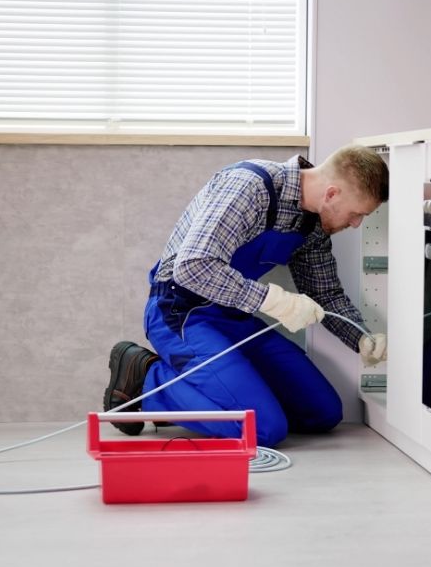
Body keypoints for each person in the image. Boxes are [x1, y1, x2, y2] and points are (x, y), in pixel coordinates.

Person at [103, 145, 390, 448]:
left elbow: (326, 294)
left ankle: (238, 394)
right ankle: (146, 378)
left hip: (233, 318)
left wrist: (360, 337)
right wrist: (277, 302)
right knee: (265, 429)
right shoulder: (250, 186)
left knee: (323, 412)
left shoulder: (314, 224)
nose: (357, 224)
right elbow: (192, 267)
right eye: (357, 214)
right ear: (331, 194)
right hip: (180, 313)